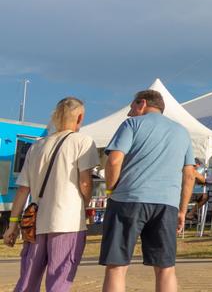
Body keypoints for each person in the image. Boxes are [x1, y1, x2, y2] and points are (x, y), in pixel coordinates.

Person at [99, 88, 195, 292]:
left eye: (131, 107)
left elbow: (114, 160)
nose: (129, 113)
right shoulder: (182, 132)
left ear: (142, 103)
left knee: (117, 267)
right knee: (166, 268)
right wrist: (182, 209)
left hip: (128, 199)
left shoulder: (132, 124)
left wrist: (110, 190)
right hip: (166, 204)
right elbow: (189, 175)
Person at [3, 97, 98, 292]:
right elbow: (85, 182)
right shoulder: (83, 141)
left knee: (28, 278)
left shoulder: (37, 145)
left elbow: (23, 190)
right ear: (79, 117)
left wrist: (12, 225)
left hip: (36, 221)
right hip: (68, 221)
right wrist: (85, 204)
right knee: (59, 279)